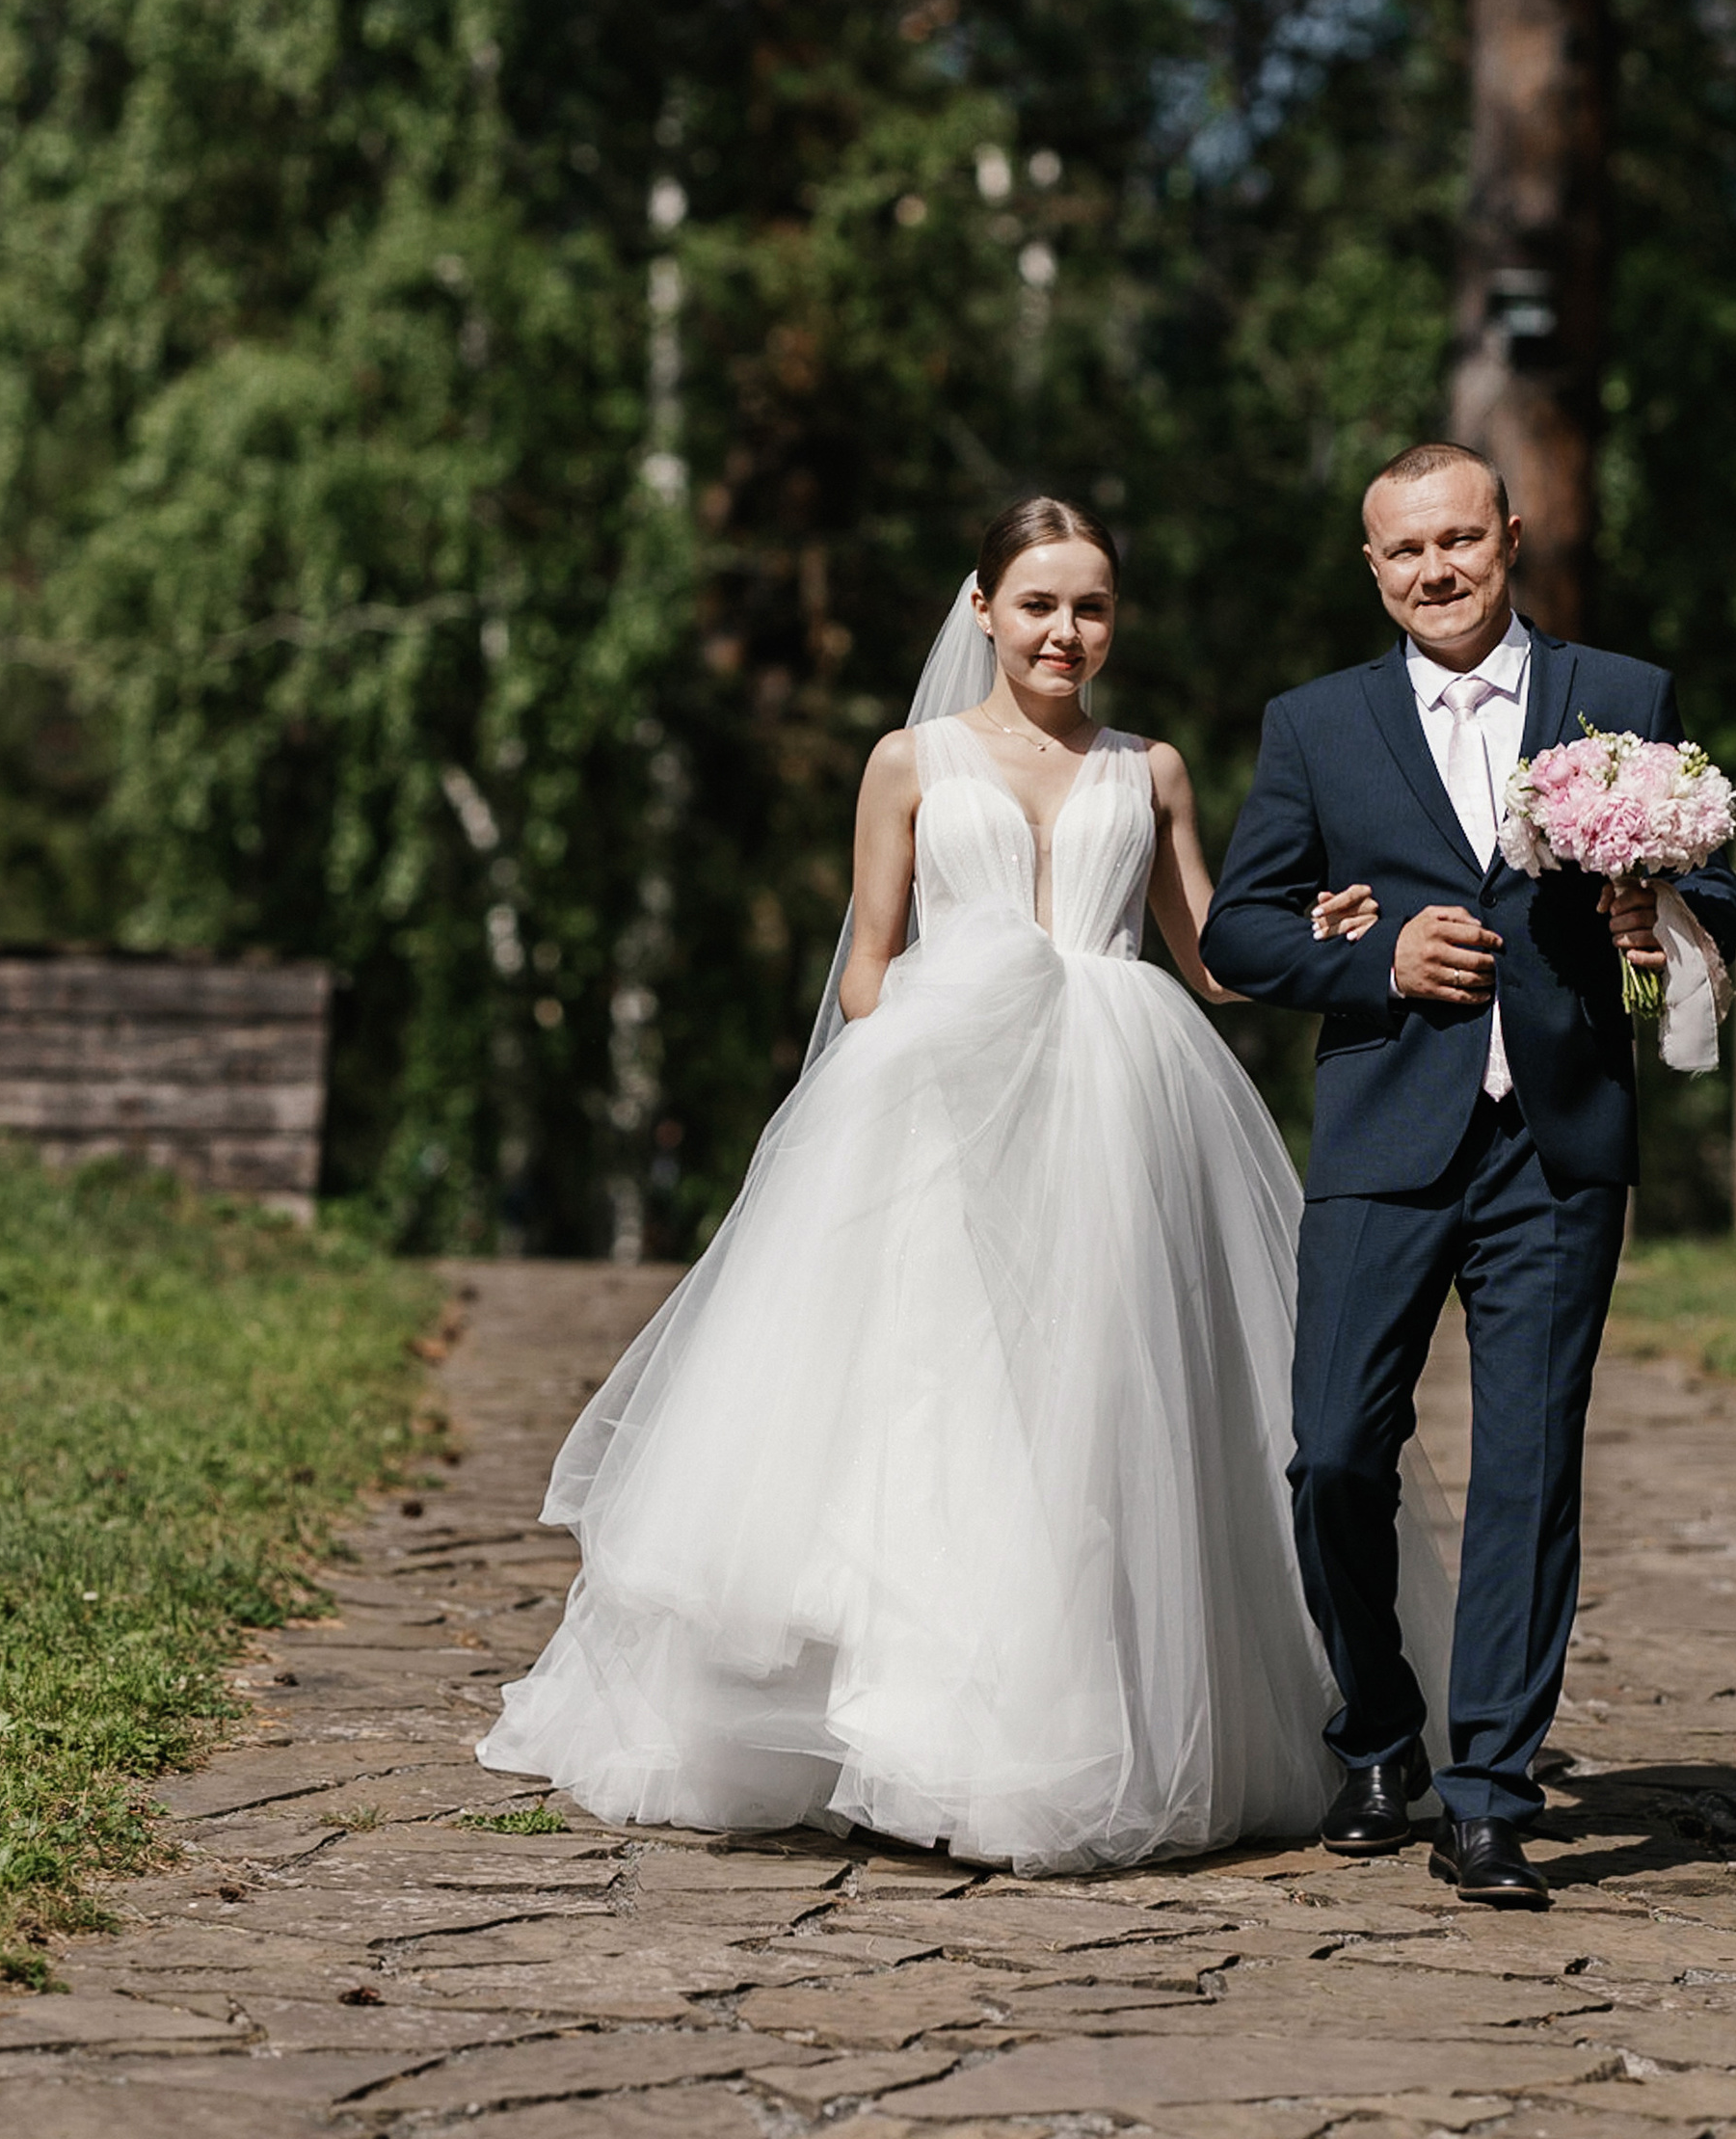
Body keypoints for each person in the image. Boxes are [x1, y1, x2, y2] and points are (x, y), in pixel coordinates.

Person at [480, 493, 1455, 1874]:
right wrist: (951, 1027)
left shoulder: (1152, 766)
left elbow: (1215, 956)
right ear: (983, 607)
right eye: (1043, 603)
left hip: (1129, 1110)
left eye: (1094, 605)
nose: (1069, 631)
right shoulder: (911, 762)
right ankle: (923, 1730)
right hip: (950, 1106)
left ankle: (1109, 1718)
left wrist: (1326, 930)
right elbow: (868, 962)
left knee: (1109, 1406)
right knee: (945, 1408)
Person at [1201, 444, 1736, 1910]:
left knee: (1526, 1471)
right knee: (1330, 1457)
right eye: (1405, 552)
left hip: (1562, 1147)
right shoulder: (1315, 726)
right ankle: (1380, 1730)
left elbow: (1713, 894)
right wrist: (1370, 957)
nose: (1436, 570)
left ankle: (1491, 1795)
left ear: (1512, 536)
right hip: (1386, 1138)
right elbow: (1237, 933)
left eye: (1461, 539)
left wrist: (1661, 925)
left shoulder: (1621, 699)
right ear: (1371, 569)